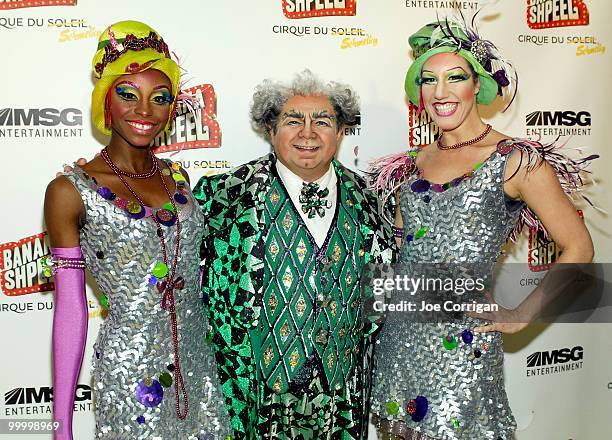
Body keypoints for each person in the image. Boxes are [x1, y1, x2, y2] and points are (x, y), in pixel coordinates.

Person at [368, 17, 595, 440]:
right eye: (429, 80)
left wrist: (521, 315)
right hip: (398, 342)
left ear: (478, 86)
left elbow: (578, 247)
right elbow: (402, 256)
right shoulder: (409, 165)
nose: (441, 92)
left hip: (463, 346)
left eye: (455, 78)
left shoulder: (515, 160)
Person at [44, 21, 231, 440]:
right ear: (105, 101)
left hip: (199, 370)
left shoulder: (178, 180)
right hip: (131, 377)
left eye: (159, 98)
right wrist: (60, 427)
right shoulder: (69, 191)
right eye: (128, 94)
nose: (144, 111)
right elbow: (71, 310)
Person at [193, 70, 396, 438]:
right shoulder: (224, 196)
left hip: (342, 393)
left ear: (340, 132)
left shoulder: (372, 197)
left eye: (322, 121)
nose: (308, 133)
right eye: (293, 121)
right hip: (260, 394)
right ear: (270, 130)